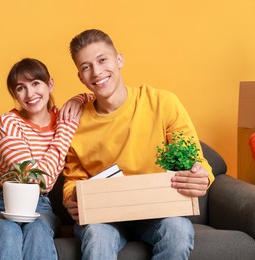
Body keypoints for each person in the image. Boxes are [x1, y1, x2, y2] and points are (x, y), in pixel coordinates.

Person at [62, 29, 216, 260]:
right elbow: (73, 178)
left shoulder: (162, 103)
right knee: (97, 236)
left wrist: (202, 176)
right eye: (86, 67)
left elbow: (195, 160)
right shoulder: (75, 122)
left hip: (159, 212)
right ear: (80, 77)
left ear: (119, 60)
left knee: (179, 231)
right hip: (105, 215)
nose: (96, 71)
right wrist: (70, 198)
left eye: (103, 60)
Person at [0, 58, 92, 260]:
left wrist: (77, 99)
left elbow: (99, 97)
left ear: (49, 84)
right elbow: (39, 180)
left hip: (40, 205)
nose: (30, 94)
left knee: (38, 230)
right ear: (15, 95)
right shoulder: (8, 123)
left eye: (36, 83)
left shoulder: (63, 116)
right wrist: (64, 130)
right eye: (20, 88)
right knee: (8, 230)